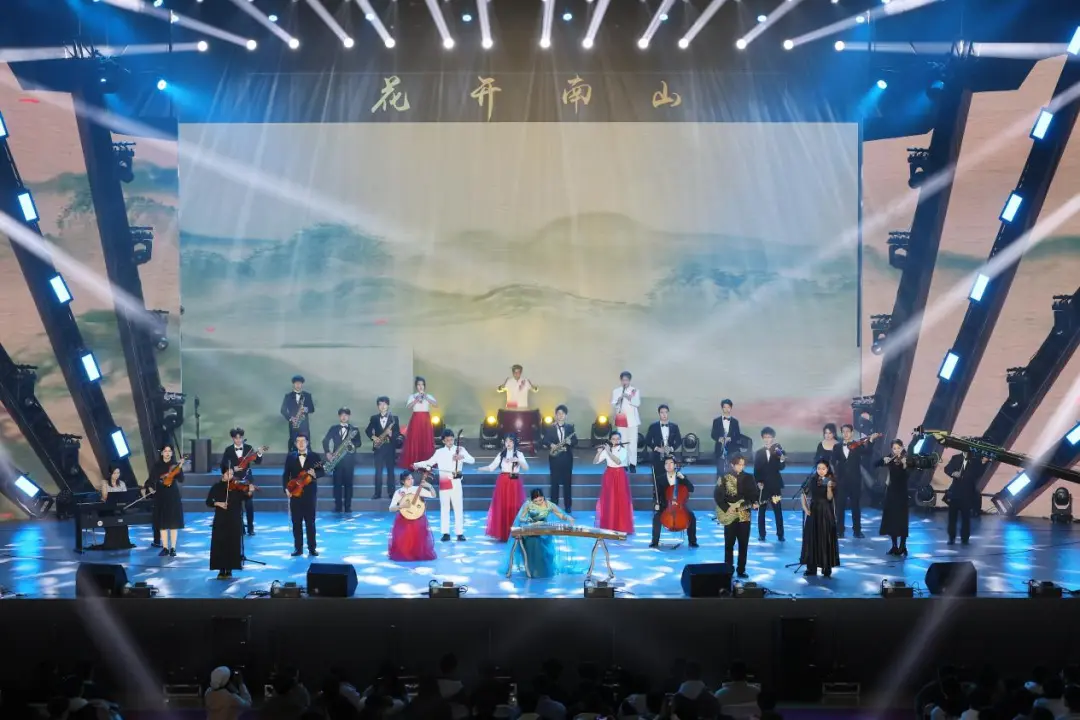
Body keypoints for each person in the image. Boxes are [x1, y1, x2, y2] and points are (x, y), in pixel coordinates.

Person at [414, 428, 475, 542]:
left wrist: (462, 457)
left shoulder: (460, 449)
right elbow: (429, 462)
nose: (450, 442)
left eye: (452, 440)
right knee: (444, 507)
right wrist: (417, 464)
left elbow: (472, 460)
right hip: (444, 482)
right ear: (443, 441)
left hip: (456, 481)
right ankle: (445, 533)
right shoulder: (439, 452)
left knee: (458, 507)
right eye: (448, 440)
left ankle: (459, 533)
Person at [504, 488, 580, 578]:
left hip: (543, 530)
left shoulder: (549, 504)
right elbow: (521, 518)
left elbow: (560, 514)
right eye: (535, 501)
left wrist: (568, 518)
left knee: (540, 545)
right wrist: (527, 520)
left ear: (543, 497)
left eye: (540, 500)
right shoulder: (528, 504)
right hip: (531, 529)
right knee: (533, 542)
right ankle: (532, 569)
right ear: (532, 500)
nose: (538, 502)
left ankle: (540, 570)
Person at [832, 426, 880, 539]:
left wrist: (871, 441)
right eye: (843, 432)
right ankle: (840, 531)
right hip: (841, 481)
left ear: (852, 433)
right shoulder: (837, 447)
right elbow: (833, 461)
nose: (845, 434)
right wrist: (835, 475)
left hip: (855, 480)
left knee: (856, 506)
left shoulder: (858, 445)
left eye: (848, 431)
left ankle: (857, 531)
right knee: (840, 507)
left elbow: (868, 453)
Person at [283, 434, 324, 557]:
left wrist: (315, 474)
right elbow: (286, 474)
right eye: (298, 441)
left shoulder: (314, 456)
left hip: (310, 494)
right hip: (295, 493)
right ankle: (298, 548)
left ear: (307, 443)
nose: (301, 443)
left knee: (310, 522)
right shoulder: (290, 457)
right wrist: (286, 488)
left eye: (303, 441)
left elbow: (322, 471)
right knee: (296, 522)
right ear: (295, 444)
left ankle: (312, 548)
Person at [206, 468, 252, 579]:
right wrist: (218, 503)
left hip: (234, 518)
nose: (230, 476)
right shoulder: (216, 487)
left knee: (232, 543)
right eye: (228, 473)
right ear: (223, 474)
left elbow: (245, 497)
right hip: (220, 518)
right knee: (220, 543)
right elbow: (208, 502)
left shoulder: (236, 487)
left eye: (232, 474)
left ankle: (230, 569)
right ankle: (221, 570)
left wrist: (250, 491)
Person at [482, 434, 529, 542]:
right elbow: (491, 467)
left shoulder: (519, 454)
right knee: (502, 506)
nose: (508, 443)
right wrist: (480, 468)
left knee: (514, 506)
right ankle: (503, 533)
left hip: (514, 482)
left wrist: (518, 460)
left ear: (514, 442)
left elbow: (526, 468)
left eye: (511, 441)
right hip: (503, 482)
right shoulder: (501, 454)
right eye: (506, 441)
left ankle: (515, 531)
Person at [716, 454, 757, 578]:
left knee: (743, 543)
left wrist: (754, 503)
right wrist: (727, 508)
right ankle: (728, 569)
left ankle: (741, 569)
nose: (741, 467)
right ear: (732, 465)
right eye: (739, 464)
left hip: (744, 514)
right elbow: (717, 495)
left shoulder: (749, 477)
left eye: (743, 465)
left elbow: (754, 495)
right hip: (729, 513)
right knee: (729, 543)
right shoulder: (724, 477)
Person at [219, 428, 264, 536]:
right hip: (234, 481)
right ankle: (240, 528)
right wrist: (232, 468)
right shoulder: (228, 450)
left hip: (247, 480)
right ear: (232, 438)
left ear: (242, 438)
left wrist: (259, 454)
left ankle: (250, 528)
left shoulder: (249, 448)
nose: (238, 440)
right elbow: (223, 466)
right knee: (237, 506)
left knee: (249, 505)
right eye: (236, 438)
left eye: (240, 438)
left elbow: (258, 461)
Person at [800, 459, 840, 577]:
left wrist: (828, 488)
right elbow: (803, 493)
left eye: (823, 468)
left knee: (825, 537)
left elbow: (829, 498)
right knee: (812, 537)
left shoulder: (831, 480)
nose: (821, 471)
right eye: (818, 468)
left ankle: (826, 567)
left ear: (827, 469)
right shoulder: (812, 479)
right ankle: (811, 567)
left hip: (826, 511)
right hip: (814, 510)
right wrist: (805, 508)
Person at [649, 456, 698, 548]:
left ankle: (692, 541)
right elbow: (655, 495)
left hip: (680, 505)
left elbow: (691, 489)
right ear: (664, 466)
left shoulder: (681, 477)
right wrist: (656, 504)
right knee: (656, 517)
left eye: (671, 463)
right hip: (665, 505)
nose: (669, 465)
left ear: (675, 465)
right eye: (666, 463)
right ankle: (654, 541)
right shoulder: (659, 479)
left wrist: (684, 479)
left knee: (691, 516)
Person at [388, 470, 437, 562]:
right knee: (405, 539)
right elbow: (391, 508)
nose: (411, 481)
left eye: (412, 478)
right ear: (403, 481)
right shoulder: (399, 492)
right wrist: (401, 506)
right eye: (408, 479)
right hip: (404, 518)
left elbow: (433, 495)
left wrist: (429, 486)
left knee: (418, 537)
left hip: (418, 518)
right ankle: (406, 554)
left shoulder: (417, 489)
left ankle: (417, 553)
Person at [594, 432, 635, 534]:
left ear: (620, 440)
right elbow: (595, 462)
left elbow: (618, 461)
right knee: (609, 500)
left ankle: (622, 526)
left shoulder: (624, 450)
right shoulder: (607, 450)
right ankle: (609, 525)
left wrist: (608, 451)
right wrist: (599, 452)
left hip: (620, 475)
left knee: (621, 500)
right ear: (610, 440)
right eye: (613, 439)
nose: (616, 441)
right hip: (609, 475)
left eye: (618, 439)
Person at [322, 407, 361, 513]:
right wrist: (327, 452)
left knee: (349, 484)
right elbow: (325, 440)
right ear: (339, 416)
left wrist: (351, 445)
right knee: (337, 485)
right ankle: (338, 507)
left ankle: (348, 507)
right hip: (337, 460)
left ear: (349, 416)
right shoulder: (333, 428)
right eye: (342, 415)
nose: (344, 417)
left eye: (346, 415)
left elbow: (359, 443)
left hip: (349, 461)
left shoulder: (354, 429)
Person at [944, 451, 986, 545]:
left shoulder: (975, 460)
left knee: (966, 518)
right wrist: (953, 473)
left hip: (967, 493)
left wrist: (983, 463)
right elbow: (947, 468)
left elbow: (978, 473)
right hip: (955, 492)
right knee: (952, 518)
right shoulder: (956, 457)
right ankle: (951, 537)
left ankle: (965, 538)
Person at [877, 439, 911, 556]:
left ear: (902, 448)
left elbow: (908, 475)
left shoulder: (907, 459)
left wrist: (905, 465)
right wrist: (883, 460)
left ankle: (903, 546)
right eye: (894, 448)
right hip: (891, 492)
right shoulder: (890, 458)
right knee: (891, 519)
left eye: (898, 448)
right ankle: (894, 546)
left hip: (902, 493)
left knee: (902, 520)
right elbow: (876, 464)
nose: (896, 450)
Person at [753, 427, 786, 542]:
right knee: (761, 511)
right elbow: (756, 470)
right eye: (765, 437)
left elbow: (781, 467)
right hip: (763, 487)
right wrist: (758, 482)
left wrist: (781, 458)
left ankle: (780, 534)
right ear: (762, 438)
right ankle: (762, 534)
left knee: (778, 511)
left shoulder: (778, 450)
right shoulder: (759, 453)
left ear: (773, 438)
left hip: (775, 487)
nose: (767, 439)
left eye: (769, 437)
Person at [151, 445, 184, 557]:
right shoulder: (157, 465)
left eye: (169, 451)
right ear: (162, 453)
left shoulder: (175, 465)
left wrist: (180, 467)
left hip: (173, 495)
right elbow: (152, 479)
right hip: (161, 495)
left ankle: (173, 548)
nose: (167, 453)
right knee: (163, 523)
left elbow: (181, 479)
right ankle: (165, 548)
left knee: (173, 522)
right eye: (165, 451)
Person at [541, 404, 576, 511]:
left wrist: (570, 442)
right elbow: (544, 440)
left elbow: (575, 441)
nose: (560, 415)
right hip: (555, 458)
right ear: (556, 415)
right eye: (558, 413)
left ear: (566, 415)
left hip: (567, 458)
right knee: (554, 483)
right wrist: (551, 444)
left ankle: (568, 506)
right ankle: (554, 506)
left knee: (567, 483)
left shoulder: (570, 427)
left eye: (563, 414)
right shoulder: (550, 428)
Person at [365, 396, 400, 500]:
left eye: (385, 404)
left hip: (390, 447)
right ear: (378, 406)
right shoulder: (374, 418)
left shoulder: (394, 418)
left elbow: (398, 433)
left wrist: (392, 434)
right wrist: (373, 437)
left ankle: (391, 493)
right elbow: (368, 430)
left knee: (391, 471)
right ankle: (377, 493)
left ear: (388, 405)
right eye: (380, 404)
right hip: (378, 448)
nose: (383, 406)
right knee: (378, 472)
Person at [399, 376, 437, 470]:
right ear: (416, 386)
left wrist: (426, 397)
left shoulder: (428, 396)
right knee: (415, 439)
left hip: (425, 420)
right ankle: (414, 462)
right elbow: (408, 406)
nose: (420, 386)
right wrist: (416, 399)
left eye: (422, 385)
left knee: (426, 439)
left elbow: (435, 404)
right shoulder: (412, 396)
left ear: (424, 386)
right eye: (419, 385)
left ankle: (426, 463)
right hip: (416, 419)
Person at [645, 404, 682, 493]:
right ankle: (658, 498)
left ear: (668, 413)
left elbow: (679, 441)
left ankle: (670, 498)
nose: (664, 414)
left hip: (670, 457)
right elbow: (647, 440)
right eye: (662, 412)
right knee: (657, 479)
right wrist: (657, 448)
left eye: (666, 412)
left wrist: (671, 448)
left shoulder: (674, 426)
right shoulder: (653, 426)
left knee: (670, 479)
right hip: (657, 457)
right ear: (659, 414)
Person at [610, 371, 642, 472]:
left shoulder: (634, 391)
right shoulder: (616, 391)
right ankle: (624, 463)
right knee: (622, 442)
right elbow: (613, 404)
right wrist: (618, 400)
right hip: (621, 419)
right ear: (621, 380)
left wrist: (628, 397)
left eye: (627, 380)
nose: (625, 382)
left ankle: (632, 463)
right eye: (623, 380)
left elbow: (637, 403)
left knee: (633, 443)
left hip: (632, 420)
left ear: (629, 380)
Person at [99, 466, 135, 550]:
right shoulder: (104, 483)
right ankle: (111, 544)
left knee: (122, 520)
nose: (116, 475)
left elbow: (125, 496)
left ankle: (122, 543)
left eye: (118, 473)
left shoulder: (122, 483)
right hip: (107, 508)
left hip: (119, 508)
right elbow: (104, 497)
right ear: (110, 473)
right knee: (112, 521)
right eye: (114, 473)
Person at [279, 375, 315, 452]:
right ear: (293, 384)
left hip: (304, 425)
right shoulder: (288, 396)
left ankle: (308, 459)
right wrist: (290, 418)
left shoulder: (307, 395)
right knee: (293, 443)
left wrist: (305, 409)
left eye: (299, 383)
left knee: (306, 444)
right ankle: (292, 458)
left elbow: (312, 409)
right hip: (293, 424)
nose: (298, 385)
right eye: (296, 383)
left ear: (302, 384)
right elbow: (283, 410)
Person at [710, 399, 742, 476]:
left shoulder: (735, 422)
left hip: (732, 451)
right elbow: (713, 434)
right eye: (725, 407)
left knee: (731, 472)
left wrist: (730, 438)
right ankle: (720, 483)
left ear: (731, 408)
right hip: (720, 450)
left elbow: (738, 435)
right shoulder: (716, 421)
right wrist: (719, 439)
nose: (726, 409)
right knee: (720, 472)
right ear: (722, 408)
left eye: (728, 407)